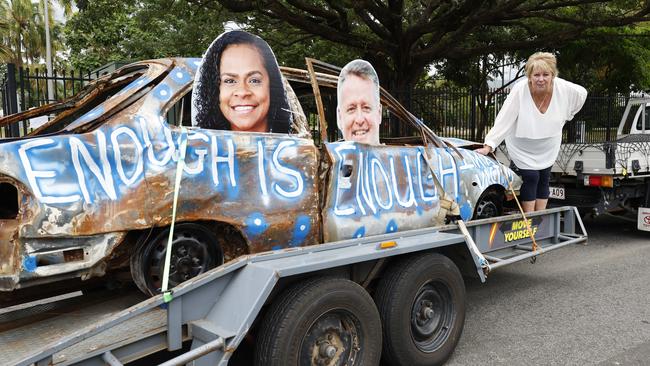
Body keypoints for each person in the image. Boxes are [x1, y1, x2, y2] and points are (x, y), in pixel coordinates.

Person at [476, 52, 587, 212]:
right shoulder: (520, 90)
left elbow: (582, 94)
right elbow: (504, 119)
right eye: (536, 75)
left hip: (548, 143)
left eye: (545, 75)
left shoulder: (562, 88)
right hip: (523, 145)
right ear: (529, 76)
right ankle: (530, 218)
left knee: (543, 178)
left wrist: (568, 114)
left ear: (552, 76)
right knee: (531, 177)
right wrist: (489, 145)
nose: (541, 79)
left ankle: (540, 218)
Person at [192, 30, 291, 133]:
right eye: (230, 81)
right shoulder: (193, 147)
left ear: (272, 86)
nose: (242, 92)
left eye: (254, 80)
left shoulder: (300, 148)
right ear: (214, 90)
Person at [337, 59, 382, 145]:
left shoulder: (406, 157)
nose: (359, 119)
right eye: (351, 109)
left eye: (366, 108)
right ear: (339, 117)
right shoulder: (327, 158)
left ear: (379, 113)